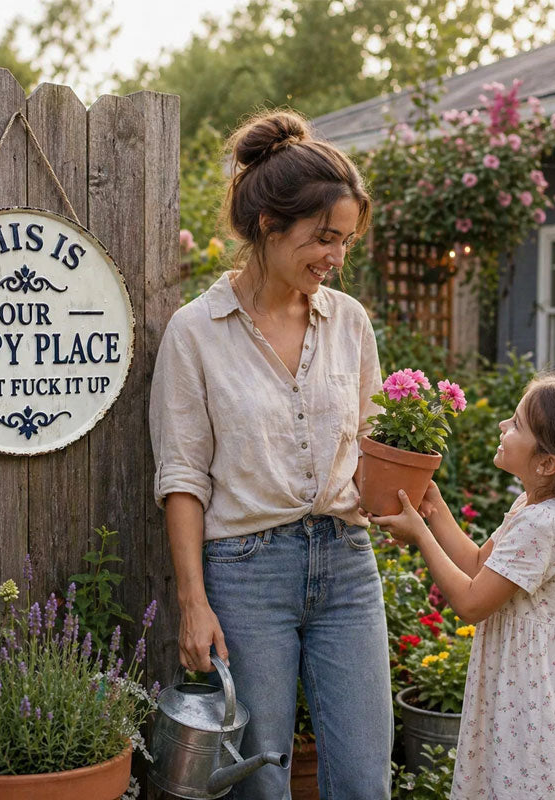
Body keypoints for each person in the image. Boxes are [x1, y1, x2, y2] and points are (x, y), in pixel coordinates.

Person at [149, 110, 393, 800]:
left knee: (364, 777)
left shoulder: (350, 323)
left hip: (347, 564)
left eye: (344, 242)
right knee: (260, 782)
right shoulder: (197, 332)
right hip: (247, 574)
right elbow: (183, 478)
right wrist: (193, 603)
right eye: (323, 238)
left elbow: (374, 442)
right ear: (266, 225)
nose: (335, 258)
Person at [370, 374, 555, 800]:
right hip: (539, 688)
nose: (502, 426)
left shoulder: (542, 524)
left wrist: (421, 537)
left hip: (531, 700)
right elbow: (481, 564)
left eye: (516, 424)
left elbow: (471, 603)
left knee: (523, 782)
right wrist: (436, 508)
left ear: (547, 463)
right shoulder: (536, 508)